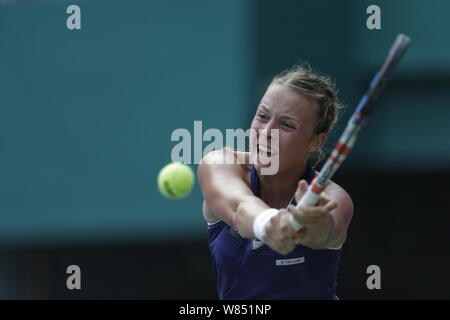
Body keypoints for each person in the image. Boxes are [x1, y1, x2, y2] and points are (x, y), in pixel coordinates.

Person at [197, 66, 354, 300]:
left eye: (287, 125)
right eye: (262, 116)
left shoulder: (334, 199)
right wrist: (270, 223)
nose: (266, 132)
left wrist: (310, 224)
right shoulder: (220, 163)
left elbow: (323, 236)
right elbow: (240, 207)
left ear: (314, 142)